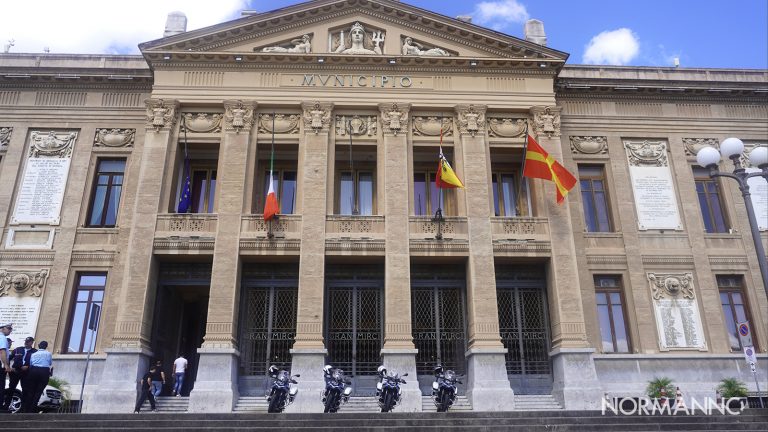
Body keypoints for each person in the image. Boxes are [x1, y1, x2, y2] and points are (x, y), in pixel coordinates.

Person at [3, 336, 35, 411]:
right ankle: (6, 406)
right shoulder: (18, 349)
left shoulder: (34, 352)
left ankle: (23, 408)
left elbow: (35, 362)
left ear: (32, 343)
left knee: (25, 390)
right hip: (15, 372)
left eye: (28, 342)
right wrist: (8, 367)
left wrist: (28, 367)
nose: (26, 343)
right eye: (25, 341)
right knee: (11, 389)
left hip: (26, 373)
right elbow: (9, 358)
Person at [24, 340, 52, 414]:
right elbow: (49, 363)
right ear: (46, 346)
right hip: (44, 371)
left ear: (39, 346)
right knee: (39, 391)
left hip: (33, 371)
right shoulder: (48, 354)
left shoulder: (34, 354)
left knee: (31, 391)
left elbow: (31, 363)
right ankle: (33, 409)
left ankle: (27, 409)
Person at [0, 323, 13, 413]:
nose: (10, 330)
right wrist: (6, 365)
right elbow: (2, 351)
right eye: (8, 328)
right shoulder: (2, 337)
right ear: (2, 328)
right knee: (1, 386)